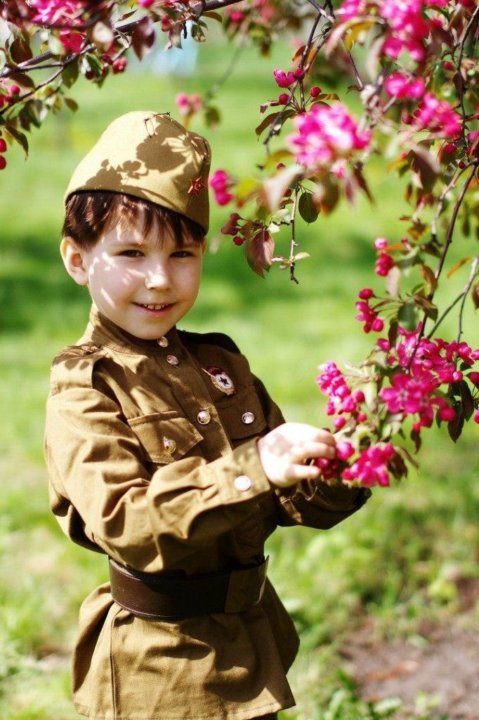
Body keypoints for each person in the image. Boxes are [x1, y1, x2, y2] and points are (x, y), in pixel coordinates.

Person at [44, 111, 370, 720]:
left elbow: (290, 500)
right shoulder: (85, 390)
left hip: (249, 642)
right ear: (77, 259)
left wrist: (347, 456)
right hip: (158, 669)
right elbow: (129, 522)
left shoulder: (220, 362)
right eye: (131, 252)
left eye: (183, 253)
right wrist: (256, 466)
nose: (159, 279)